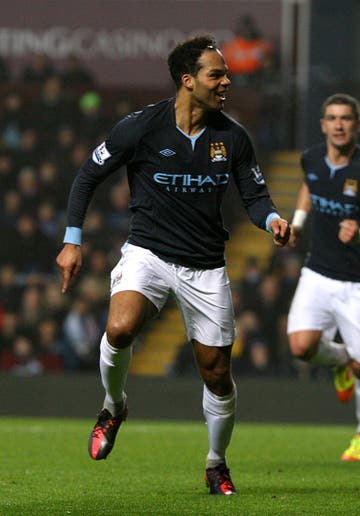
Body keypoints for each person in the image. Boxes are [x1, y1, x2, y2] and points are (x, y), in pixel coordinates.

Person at [55, 35, 291, 496]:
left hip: (205, 266)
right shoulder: (141, 127)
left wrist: (273, 220)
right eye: (216, 74)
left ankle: (215, 463)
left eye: (225, 74)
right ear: (188, 80)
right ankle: (113, 406)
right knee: (119, 329)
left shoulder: (233, 137)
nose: (226, 81)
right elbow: (88, 175)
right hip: (149, 253)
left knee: (217, 374)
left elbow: (255, 196)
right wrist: (71, 241)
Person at [287, 93, 360, 462]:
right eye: (332, 118)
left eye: (346, 118)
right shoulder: (310, 158)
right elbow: (311, 183)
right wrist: (298, 223)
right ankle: (340, 360)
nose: (339, 125)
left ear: (358, 124)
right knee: (301, 347)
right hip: (318, 270)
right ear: (323, 125)